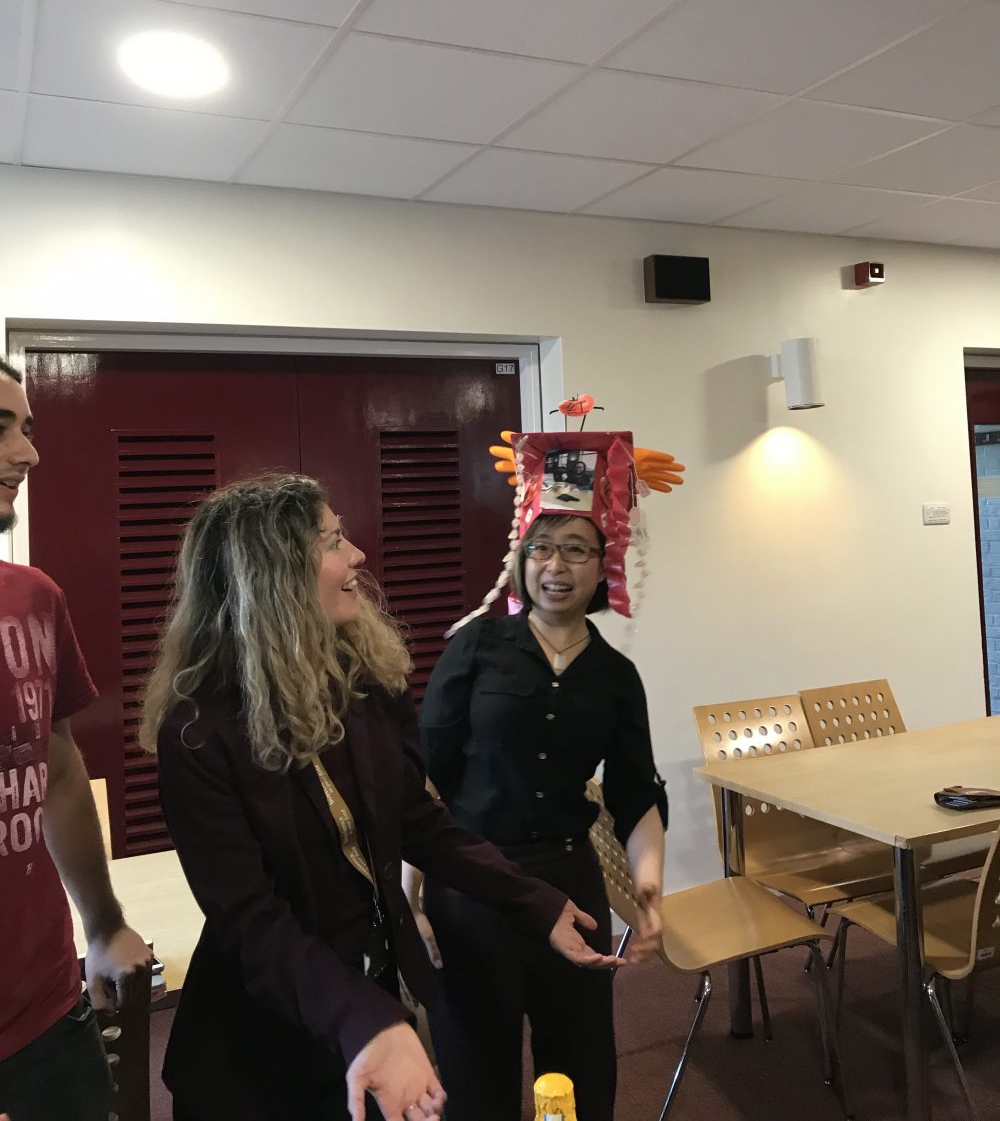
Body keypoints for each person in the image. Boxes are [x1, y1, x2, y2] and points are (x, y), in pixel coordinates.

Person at [139, 473, 621, 1121]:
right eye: (333, 541)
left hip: (370, 1011)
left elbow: (419, 821)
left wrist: (530, 898)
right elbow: (250, 919)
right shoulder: (198, 731)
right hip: (261, 1045)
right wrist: (363, 1018)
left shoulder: (364, 681)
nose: (357, 555)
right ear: (273, 573)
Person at [410, 510, 670, 1121]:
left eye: (576, 550)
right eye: (542, 548)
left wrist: (650, 889)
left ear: (602, 567)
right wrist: (410, 896)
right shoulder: (477, 645)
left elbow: (636, 794)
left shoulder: (616, 676)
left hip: (569, 881)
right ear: (522, 560)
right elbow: (425, 776)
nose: (556, 565)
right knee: (475, 1066)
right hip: (470, 877)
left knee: (581, 1061)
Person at [0, 359, 152, 1121]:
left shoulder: (34, 599)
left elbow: (56, 769)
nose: (28, 452)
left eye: (26, 428)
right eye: (1, 428)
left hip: (48, 1013)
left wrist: (102, 921)